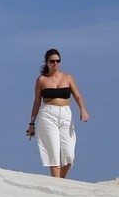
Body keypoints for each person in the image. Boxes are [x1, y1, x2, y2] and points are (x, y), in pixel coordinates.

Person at [27, 49, 89, 178]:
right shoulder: (42, 80)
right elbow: (37, 102)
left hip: (66, 114)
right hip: (48, 114)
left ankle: (60, 181)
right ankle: (57, 184)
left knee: (69, 155)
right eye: (52, 61)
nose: (55, 63)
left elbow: (77, 96)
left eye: (57, 61)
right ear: (47, 62)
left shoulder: (68, 77)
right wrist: (31, 124)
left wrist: (82, 109)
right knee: (53, 153)